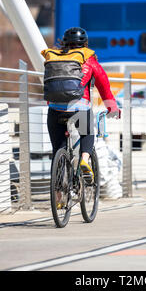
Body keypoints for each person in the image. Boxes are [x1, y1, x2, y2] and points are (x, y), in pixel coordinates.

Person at [41, 27, 121, 183]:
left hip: (55, 108)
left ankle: (58, 196)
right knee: (87, 133)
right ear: (85, 44)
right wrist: (112, 108)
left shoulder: (54, 57)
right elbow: (104, 85)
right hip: (79, 107)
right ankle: (84, 159)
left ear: (64, 43)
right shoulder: (88, 59)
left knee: (58, 149)